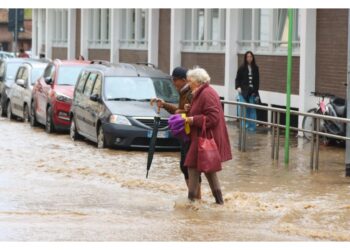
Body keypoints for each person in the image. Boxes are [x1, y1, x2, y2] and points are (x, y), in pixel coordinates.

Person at [184, 67, 232, 205]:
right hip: (201, 138)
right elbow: (202, 111)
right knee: (209, 171)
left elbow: (212, 118)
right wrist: (189, 110)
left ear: (197, 81)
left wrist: (192, 119)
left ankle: (191, 202)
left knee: (192, 167)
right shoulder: (201, 92)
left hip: (205, 139)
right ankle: (219, 202)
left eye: (190, 81)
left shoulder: (207, 93)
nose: (188, 84)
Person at [153, 67, 202, 199]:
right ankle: (195, 199)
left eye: (174, 80)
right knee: (186, 167)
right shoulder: (183, 92)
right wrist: (164, 105)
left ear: (184, 80)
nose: (173, 83)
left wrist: (181, 112)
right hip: (185, 135)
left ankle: (195, 199)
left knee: (189, 167)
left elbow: (189, 113)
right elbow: (180, 111)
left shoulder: (190, 93)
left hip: (191, 135)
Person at [235, 51, 260, 132]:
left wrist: (255, 92)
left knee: (252, 110)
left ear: (253, 58)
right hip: (243, 92)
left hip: (252, 92)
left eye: (251, 56)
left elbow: (257, 81)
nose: (249, 58)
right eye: (248, 57)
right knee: (243, 110)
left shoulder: (255, 68)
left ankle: (252, 128)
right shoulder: (242, 67)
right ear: (245, 58)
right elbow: (237, 79)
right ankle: (243, 128)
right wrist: (238, 87)